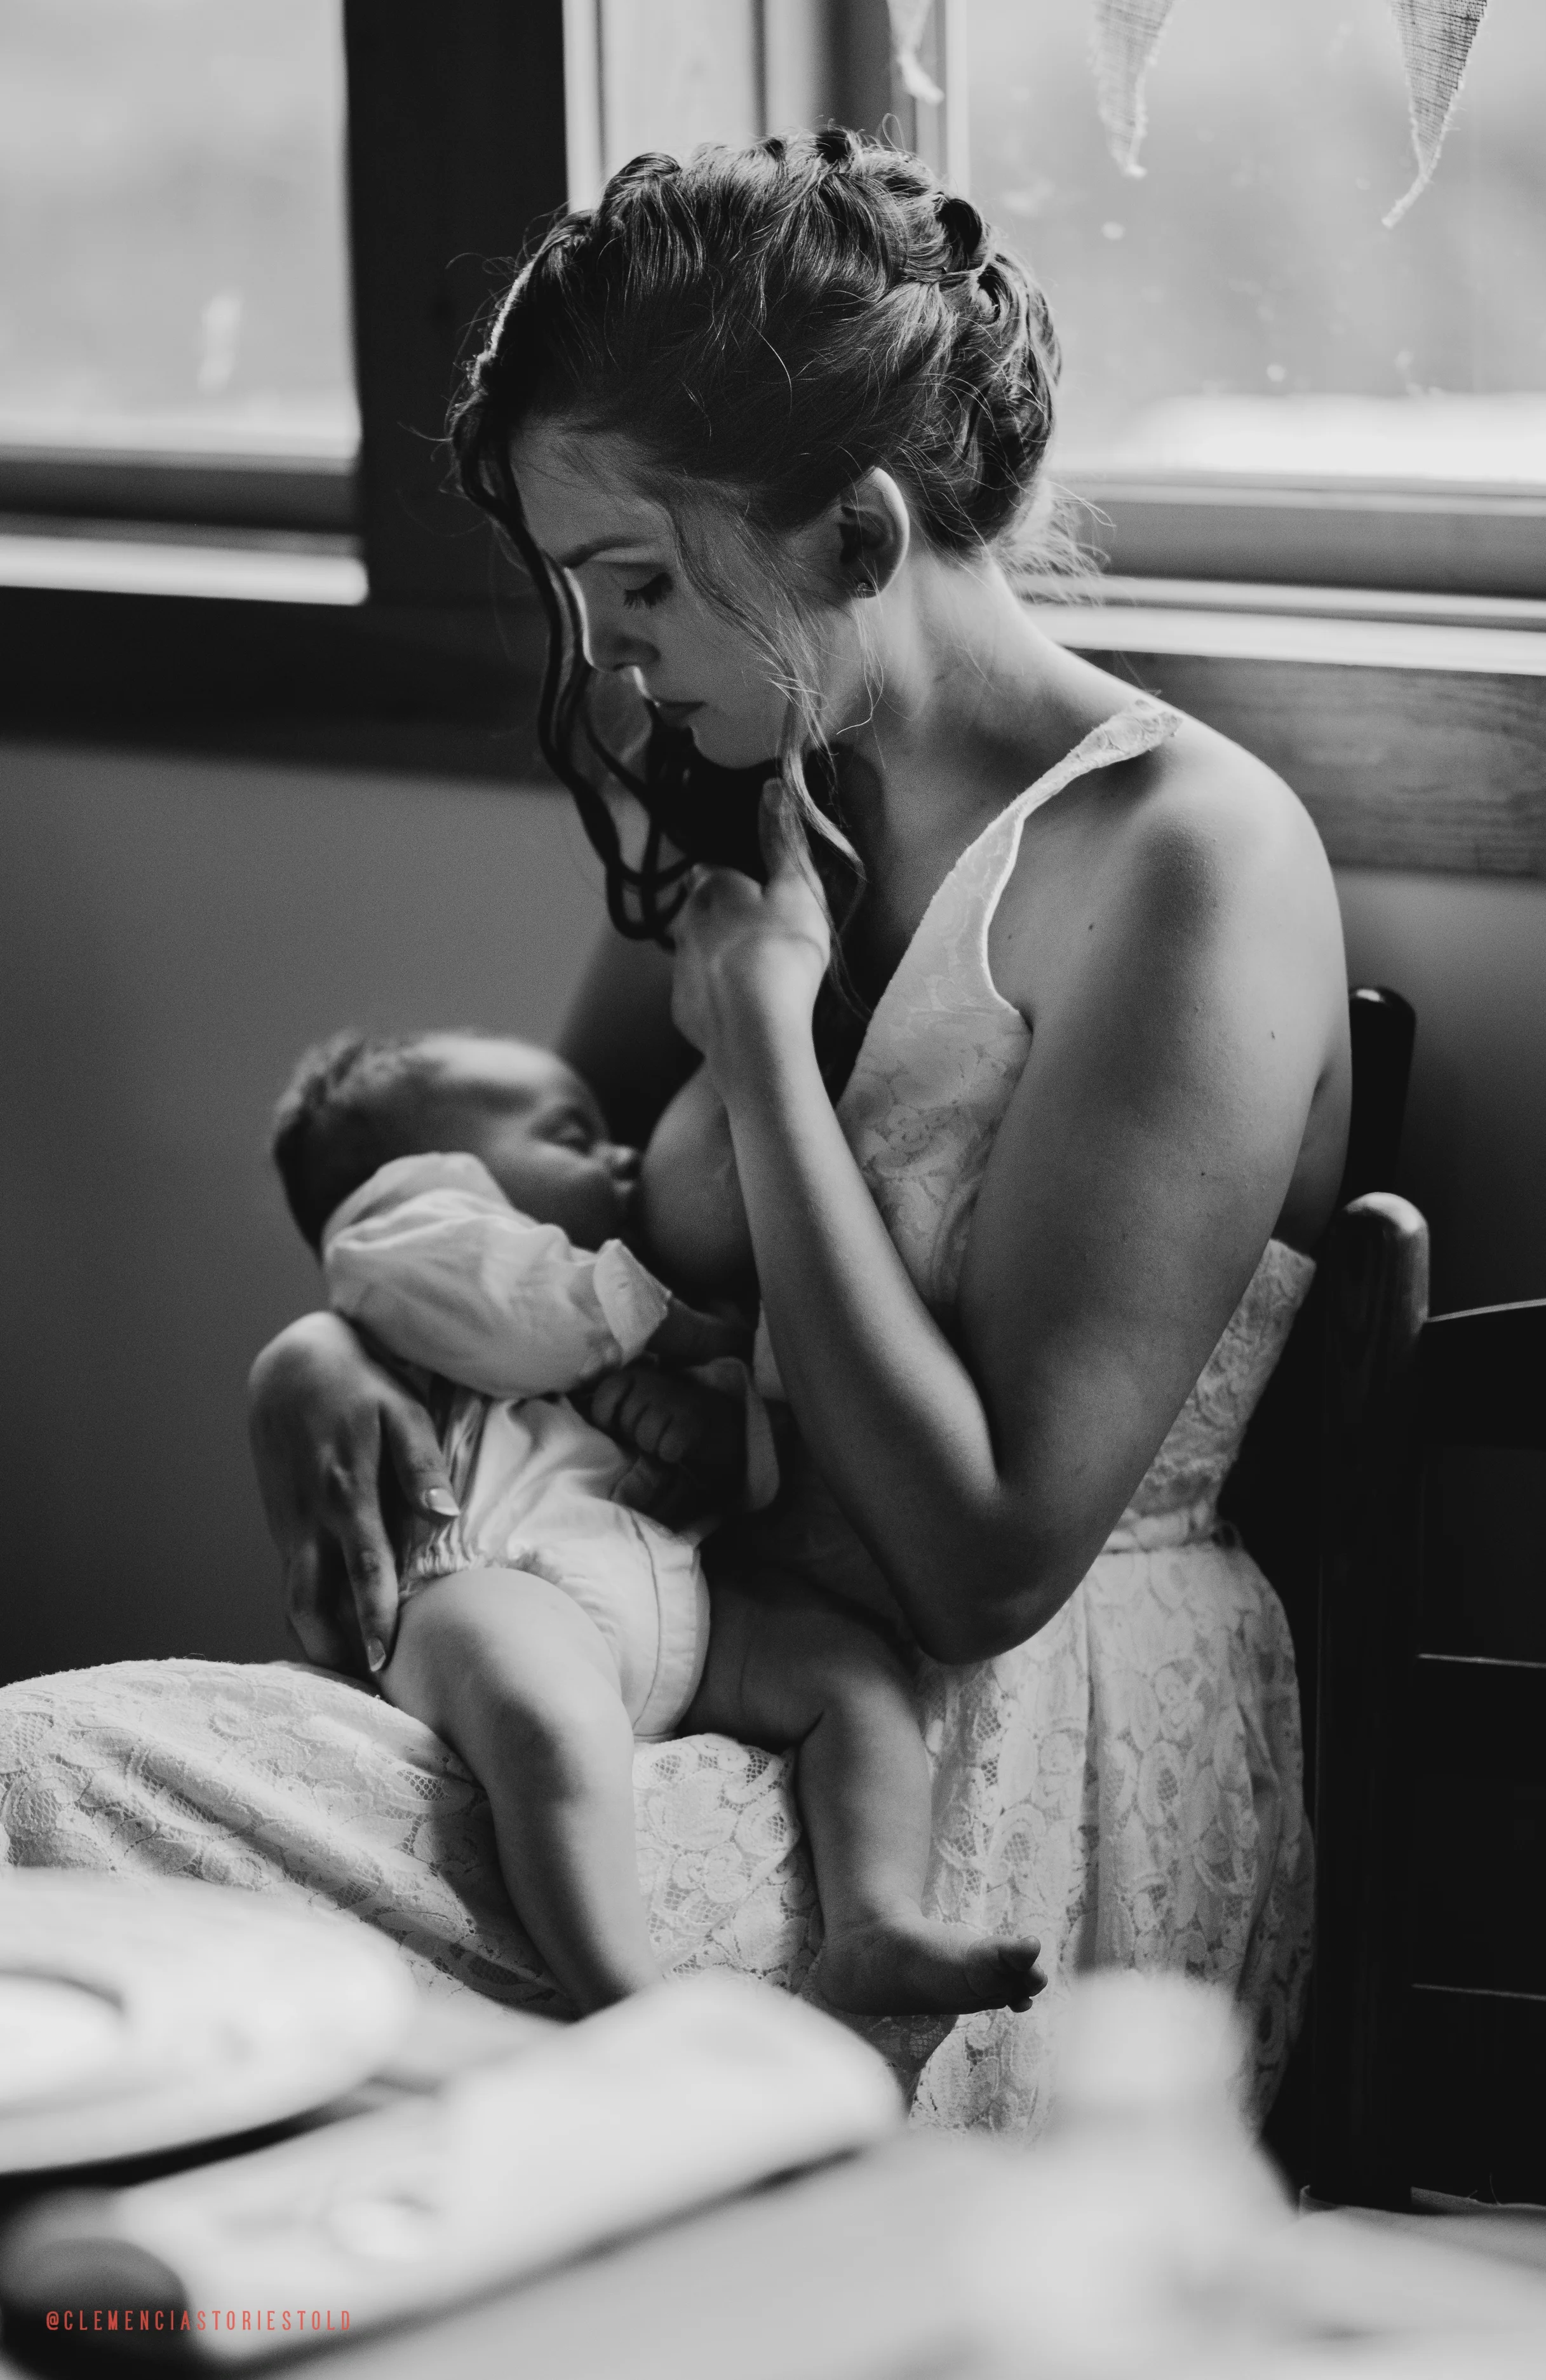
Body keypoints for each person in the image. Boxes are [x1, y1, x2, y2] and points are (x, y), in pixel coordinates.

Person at [4, 128, 1343, 2127]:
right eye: (581, 593)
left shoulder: (1184, 864)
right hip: (668, 1637)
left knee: (55, 1821)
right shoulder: (749, 786)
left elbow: (985, 1564)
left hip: (975, 1762)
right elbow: (577, 1235)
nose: (610, 663)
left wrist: (768, 1048)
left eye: (640, 584)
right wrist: (329, 1345)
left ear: (860, 537)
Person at [268, 1024, 1045, 2016]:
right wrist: (664, 1327)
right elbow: (522, 1305)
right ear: (430, 1168)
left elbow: (744, 1468)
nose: (622, 1155)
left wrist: (714, 1430)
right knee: (550, 1723)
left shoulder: (605, 1311)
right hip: (492, 1581)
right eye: (569, 1134)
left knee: (852, 1677)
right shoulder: (402, 1240)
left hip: (673, 1594)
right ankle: (629, 2000)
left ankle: (876, 1921)